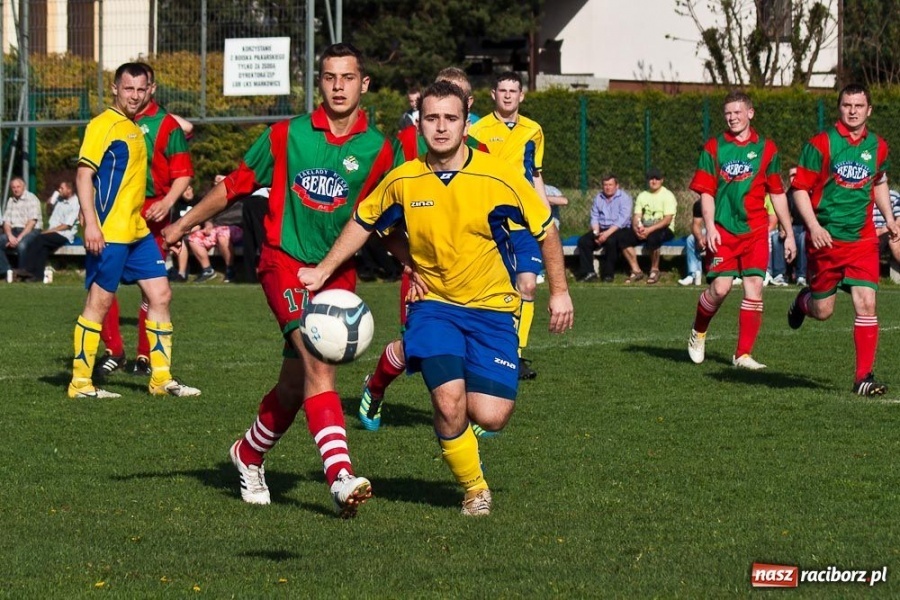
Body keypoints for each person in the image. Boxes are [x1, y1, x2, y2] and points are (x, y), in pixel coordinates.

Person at [298, 80, 574, 516]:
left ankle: (400, 362)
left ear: (466, 124)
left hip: (492, 309)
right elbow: (366, 222)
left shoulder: (498, 176)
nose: (441, 127)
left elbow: (546, 230)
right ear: (419, 124)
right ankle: (475, 490)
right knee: (448, 401)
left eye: (450, 118)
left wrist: (559, 292)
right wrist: (325, 270)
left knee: (491, 415)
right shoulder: (403, 179)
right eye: (432, 118)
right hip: (434, 306)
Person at [162, 43, 400, 517]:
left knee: (294, 386)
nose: (338, 87)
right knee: (318, 363)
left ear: (364, 84)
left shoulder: (379, 149)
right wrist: (182, 224)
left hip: (337, 269)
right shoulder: (286, 135)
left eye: (348, 78)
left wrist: (421, 265)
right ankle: (341, 476)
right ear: (319, 83)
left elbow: (386, 220)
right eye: (329, 77)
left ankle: (248, 454)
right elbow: (235, 185)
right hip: (283, 261)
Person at [358, 66, 487, 432]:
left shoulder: (482, 152)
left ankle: (470, 409)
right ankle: (376, 386)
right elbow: (385, 207)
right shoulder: (407, 143)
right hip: (422, 269)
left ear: (468, 105)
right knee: (416, 344)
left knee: (471, 339)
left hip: (473, 273)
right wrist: (409, 259)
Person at [68, 61, 200, 399]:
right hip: (110, 232)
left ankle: (160, 379)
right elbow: (84, 175)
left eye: (141, 89)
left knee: (161, 295)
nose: (135, 95)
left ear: (150, 90)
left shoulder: (134, 126)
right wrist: (91, 223)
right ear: (115, 88)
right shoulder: (102, 125)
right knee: (99, 302)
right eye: (128, 88)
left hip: (138, 231)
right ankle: (80, 383)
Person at [787, 83, 900, 396]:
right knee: (823, 311)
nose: (853, 111)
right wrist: (813, 226)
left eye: (859, 106)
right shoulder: (821, 143)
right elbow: (799, 189)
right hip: (826, 239)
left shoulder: (877, 146)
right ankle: (802, 302)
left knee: (867, 302)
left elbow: (879, 181)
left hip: (862, 239)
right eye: (847, 105)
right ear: (839, 108)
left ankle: (863, 378)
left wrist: (890, 218)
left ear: (869, 110)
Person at [687, 90, 795, 370]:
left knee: (754, 287)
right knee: (720, 288)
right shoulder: (714, 147)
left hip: (756, 230)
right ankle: (699, 330)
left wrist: (789, 232)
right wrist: (710, 227)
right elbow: (706, 193)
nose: (732, 117)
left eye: (737, 112)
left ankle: (742, 354)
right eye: (728, 113)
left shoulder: (767, 148)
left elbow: (777, 192)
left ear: (750, 113)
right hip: (723, 230)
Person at [468, 71, 550, 380]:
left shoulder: (534, 130)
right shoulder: (478, 130)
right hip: (491, 223)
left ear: (521, 96)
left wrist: (544, 213)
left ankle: (515, 353)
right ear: (493, 94)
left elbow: (536, 173)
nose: (507, 95)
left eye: (513, 91)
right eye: (502, 90)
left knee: (527, 285)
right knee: (492, 290)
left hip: (524, 221)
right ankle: (487, 350)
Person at [620, 168, 677, 284]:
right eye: (651, 179)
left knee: (653, 238)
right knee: (622, 238)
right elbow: (636, 216)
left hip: (664, 228)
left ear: (662, 180)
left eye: (657, 179)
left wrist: (648, 230)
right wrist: (636, 228)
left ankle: (654, 270)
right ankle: (636, 270)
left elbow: (667, 220)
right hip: (644, 227)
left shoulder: (668, 195)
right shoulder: (642, 195)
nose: (654, 181)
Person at [573, 174, 634, 283]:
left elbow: (622, 220)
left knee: (611, 241)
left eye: (610, 185)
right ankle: (588, 273)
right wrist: (596, 233)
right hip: (601, 228)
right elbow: (594, 217)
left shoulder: (624, 198)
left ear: (617, 186)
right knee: (583, 241)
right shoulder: (599, 198)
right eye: (605, 185)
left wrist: (606, 234)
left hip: (619, 229)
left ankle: (608, 275)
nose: (608, 187)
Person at [16, 181, 80, 282]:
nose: (59, 190)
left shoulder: (75, 204)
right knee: (44, 248)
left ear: (69, 190)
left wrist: (48, 231)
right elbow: (49, 213)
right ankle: (37, 276)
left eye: (62, 188)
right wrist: (48, 204)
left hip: (63, 234)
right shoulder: (60, 200)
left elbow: (66, 225)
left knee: (39, 239)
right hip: (53, 231)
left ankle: (27, 269)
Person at [1, 176, 43, 281]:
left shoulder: (32, 199)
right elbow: (6, 222)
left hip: (31, 230)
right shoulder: (11, 200)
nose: (16, 189)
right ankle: (6, 271)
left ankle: (22, 272)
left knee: (22, 245)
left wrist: (19, 238)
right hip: (14, 231)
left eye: (18, 187)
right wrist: (10, 236)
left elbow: (32, 222)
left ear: (23, 187)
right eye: (13, 187)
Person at [678, 198, 705, 286]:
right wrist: (700, 239)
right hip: (709, 231)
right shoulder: (699, 204)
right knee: (690, 239)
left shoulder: (723, 201)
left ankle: (732, 275)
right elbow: (696, 225)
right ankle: (693, 274)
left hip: (724, 231)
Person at [874, 189, 900, 267]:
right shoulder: (861, 197)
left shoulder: (894, 195)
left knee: (895, 237)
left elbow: (899, 219)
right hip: (867, 234)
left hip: (887, 231)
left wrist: (884, 230)